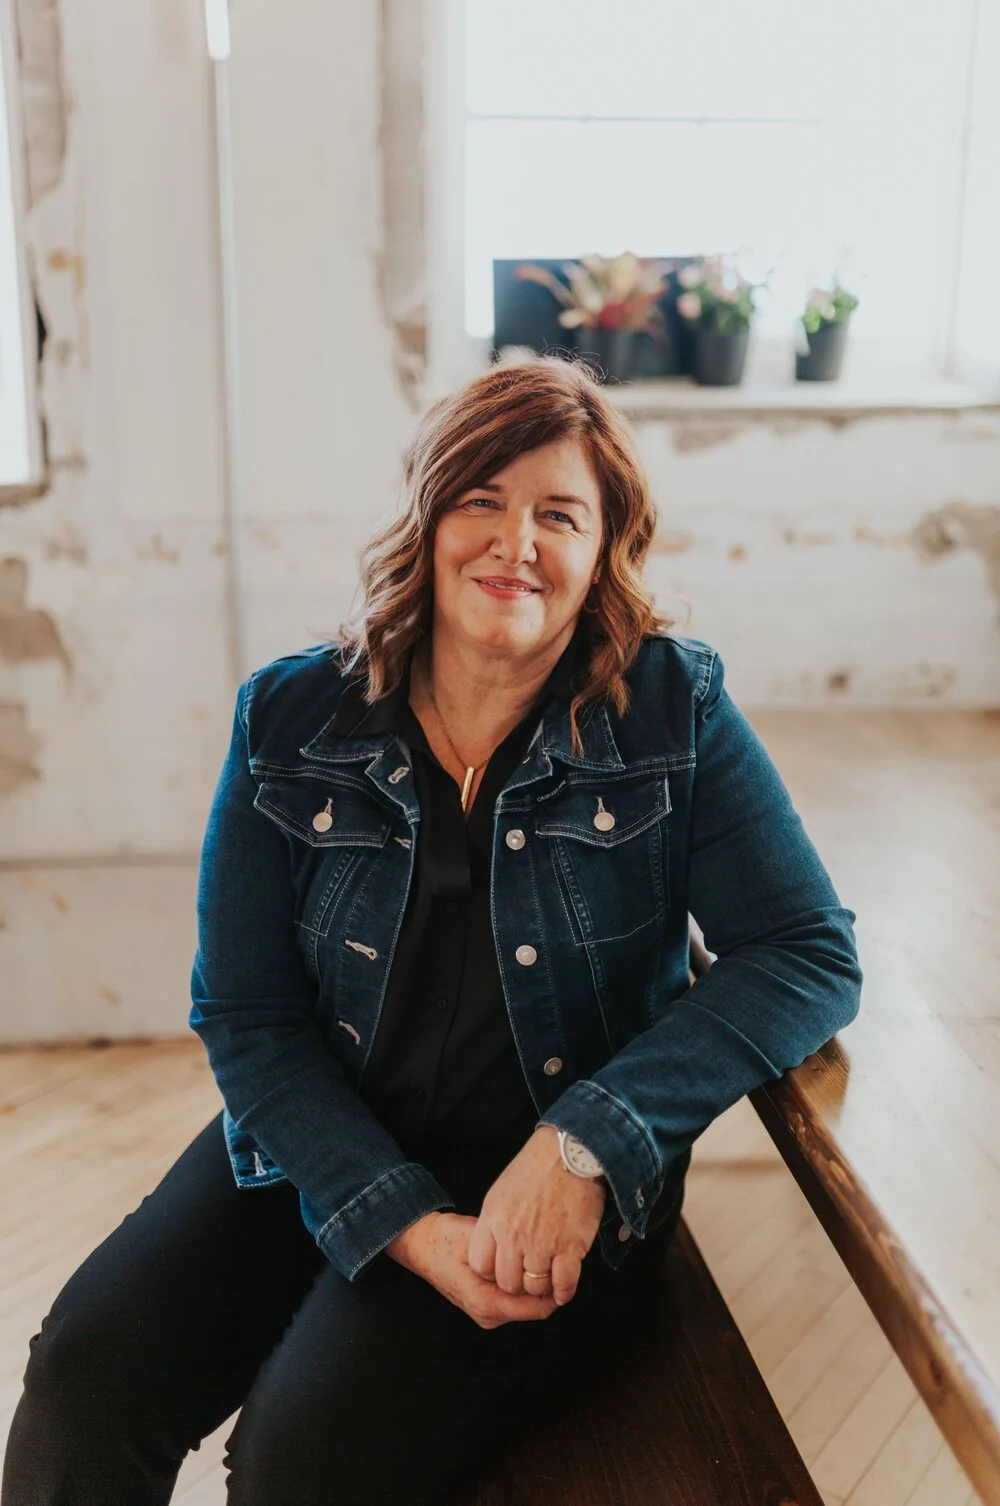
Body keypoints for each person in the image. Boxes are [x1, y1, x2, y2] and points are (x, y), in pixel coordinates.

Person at [2, 356, 863, 1505]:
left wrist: (590, 1139)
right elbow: (247, 1017)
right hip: (318, 1139)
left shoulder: (671, 707)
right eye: (481, 501)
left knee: (302, 1462)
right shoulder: (294, 716)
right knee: (81, 1384)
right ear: (427, 516)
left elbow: (805, 952)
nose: (516, 543)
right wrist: (395, 1220)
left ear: (602, 548)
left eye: (558, 515)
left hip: (550, 1191)